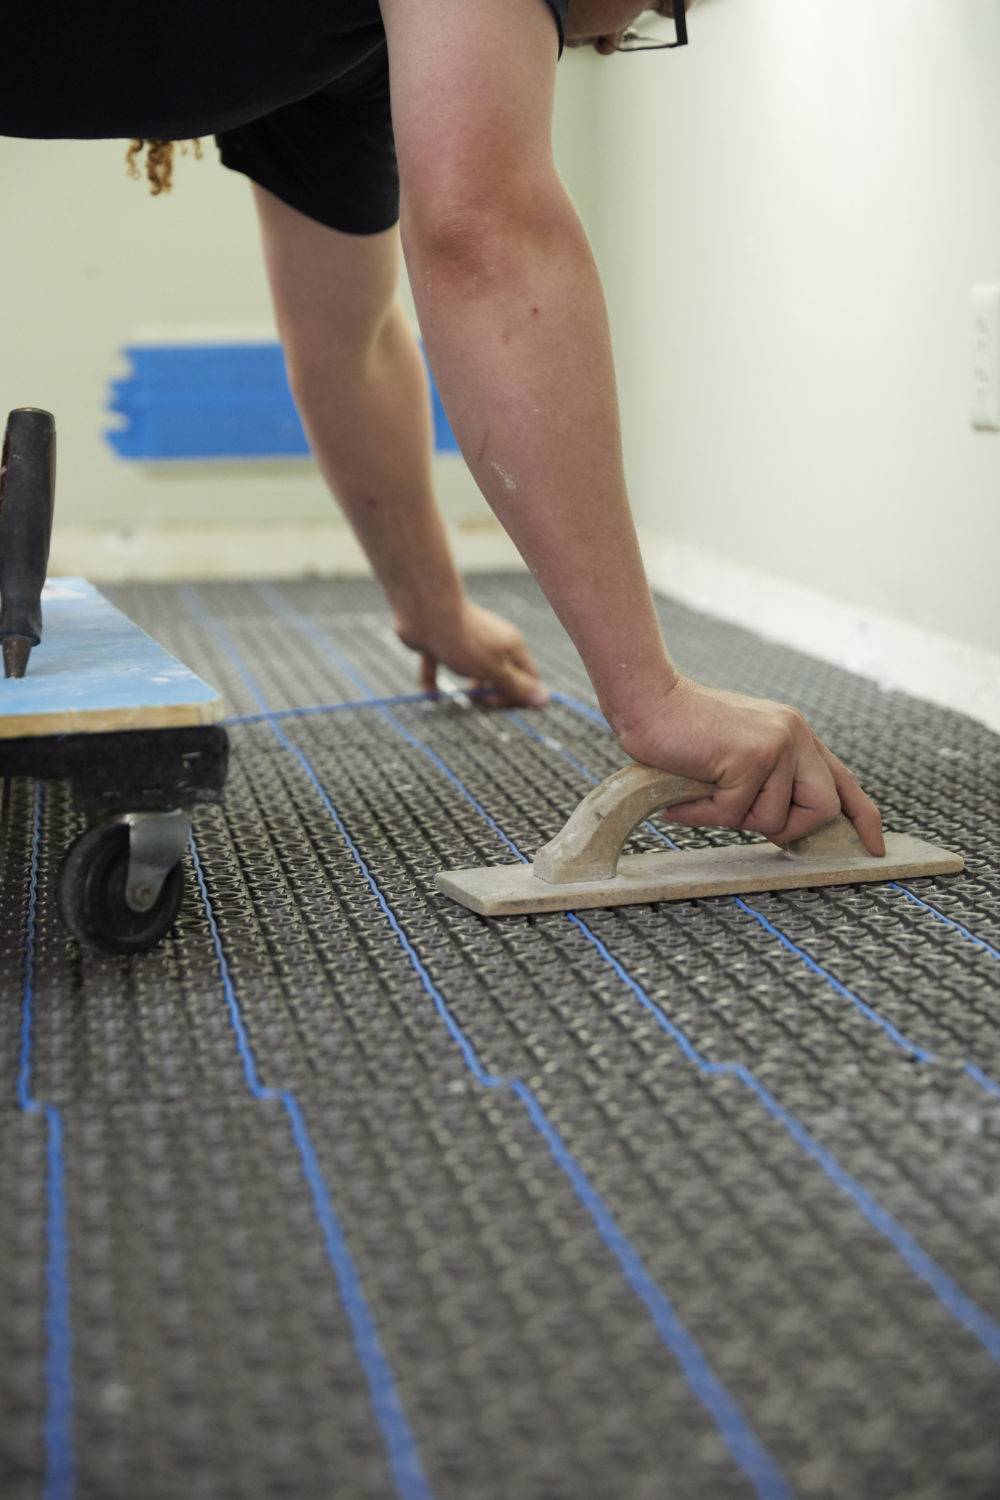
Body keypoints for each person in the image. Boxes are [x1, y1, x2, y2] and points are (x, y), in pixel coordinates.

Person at [2, 0, 884, 854]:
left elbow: (350, 345)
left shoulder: (342, 52)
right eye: (656, 9)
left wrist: (433, 605)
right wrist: (651, 695)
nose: (615, 35)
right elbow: (488, 242)